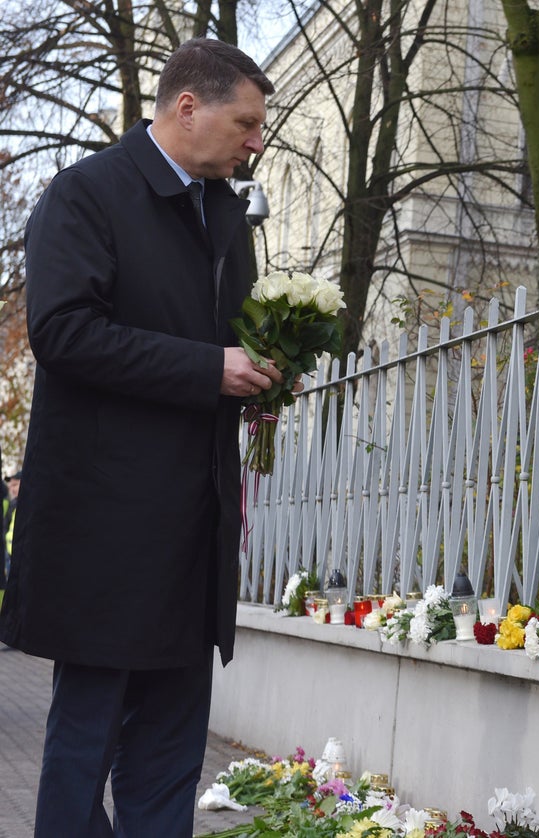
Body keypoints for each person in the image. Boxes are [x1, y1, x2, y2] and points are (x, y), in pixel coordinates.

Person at [0, 39, 281, 837]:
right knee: (84, 746)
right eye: (246, 122)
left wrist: (266, 371)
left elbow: (226, 350)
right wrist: (210, 370)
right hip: (106, 532)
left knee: (171, 756)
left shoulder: (226, 215)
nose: (256, 140)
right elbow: (63, 333)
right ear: (187, 107)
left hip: (194, 529)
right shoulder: (86, 194)